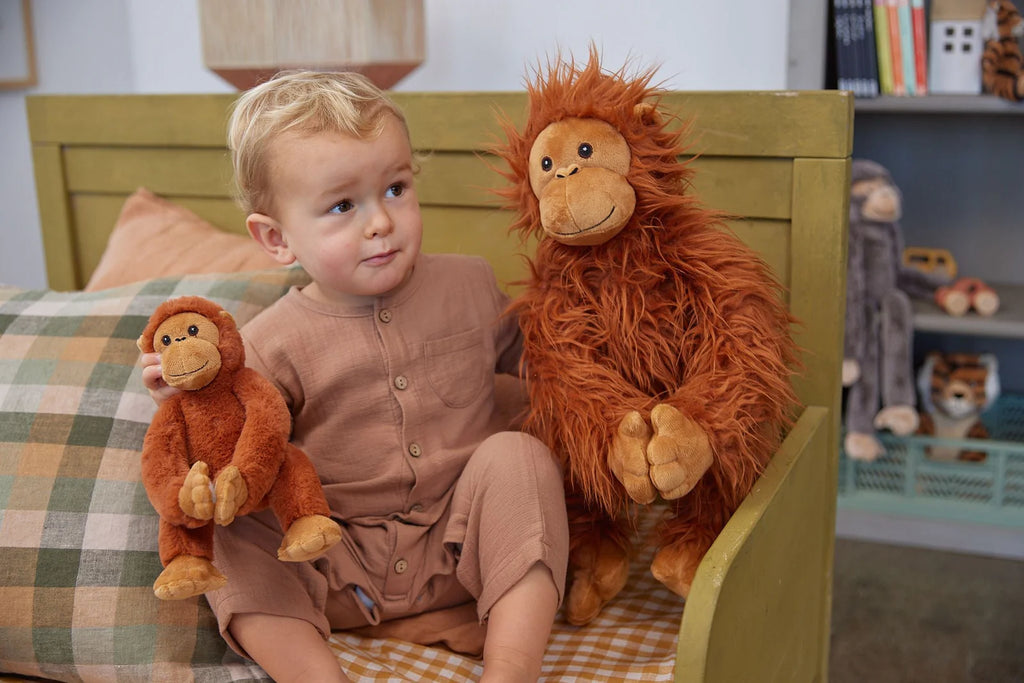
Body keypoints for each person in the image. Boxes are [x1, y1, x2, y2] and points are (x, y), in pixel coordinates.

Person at [140, 71, 569, 683]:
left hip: (461, 549)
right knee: (235, 517)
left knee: (520, 458)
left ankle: (512, 671)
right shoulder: (272, 340)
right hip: (331, 566)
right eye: (343, 206)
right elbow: (232, 434)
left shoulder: (470, 284)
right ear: (277, 239)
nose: (380, 222)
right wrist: (187, 399)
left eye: (395, 188)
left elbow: (554, 372)